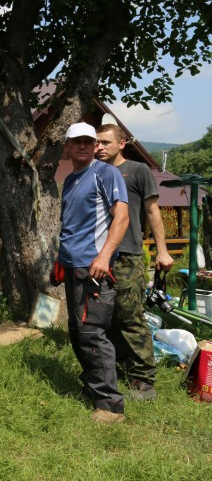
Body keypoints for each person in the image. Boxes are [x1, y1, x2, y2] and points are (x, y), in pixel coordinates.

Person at [56, 122, 129, 424]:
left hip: (94, 268)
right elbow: (71, 227)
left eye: (89, 141)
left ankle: (110, 406)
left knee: (93, 334)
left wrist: (105, 255)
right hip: (73, 268)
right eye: (77, 142)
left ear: (95, 145)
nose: (84, 146)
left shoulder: (105, 173)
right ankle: (93, 389)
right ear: (68, 147)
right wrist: (59, 260)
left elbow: (122, 217)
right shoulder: (70, 181)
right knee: (77, 332)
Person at [96, 123, 173, 401]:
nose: (99, 147)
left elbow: (152, 211)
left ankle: (144, 381)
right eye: (97, 143)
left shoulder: (137, 171)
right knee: (107, 319)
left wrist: (163, 251)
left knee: (130, 317)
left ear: (122, 143)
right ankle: (118, 370)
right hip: (98, 257)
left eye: (105, 142)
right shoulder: (94, 173)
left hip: (128, 255)